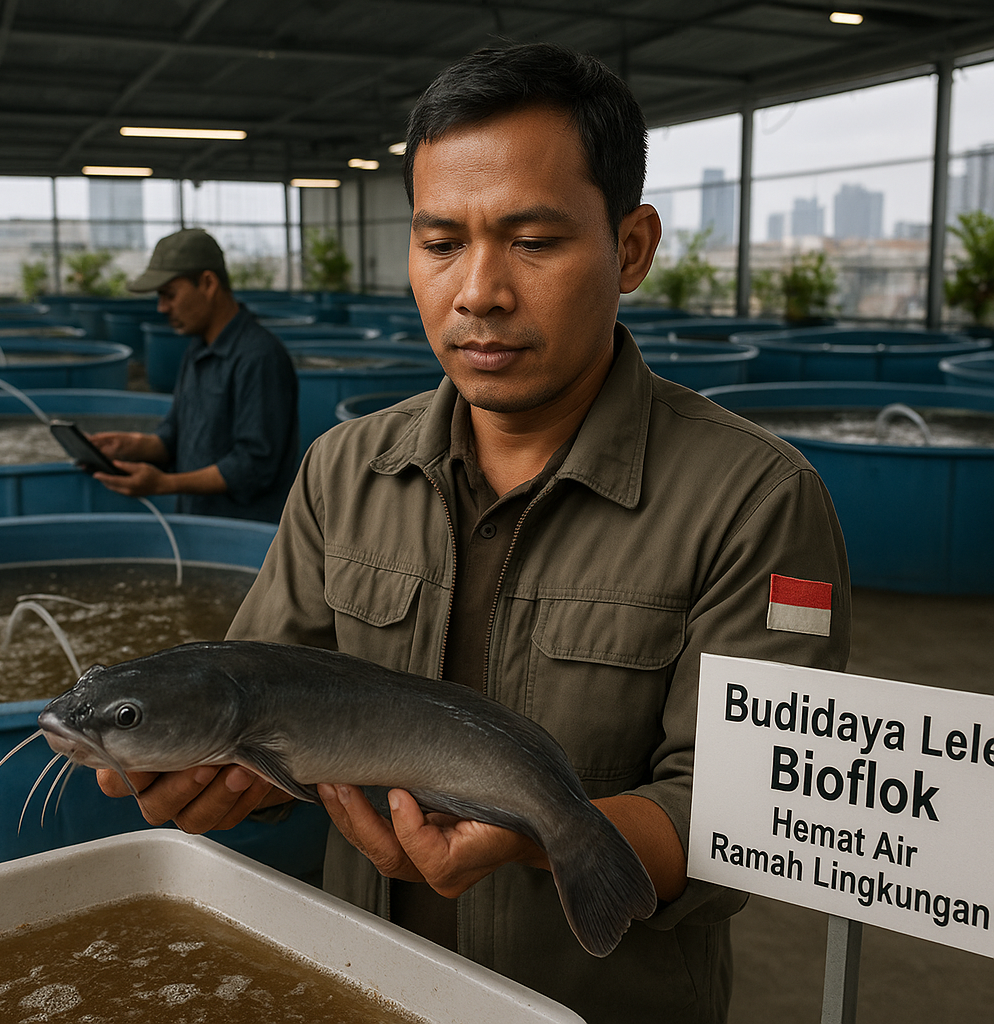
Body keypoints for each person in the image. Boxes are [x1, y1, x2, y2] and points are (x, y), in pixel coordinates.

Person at [96, 44, 851, 1022]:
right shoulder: (345, 469)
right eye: (441, 240)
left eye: (532, 241)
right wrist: (215, 779)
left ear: (629, 247)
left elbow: (758, 810)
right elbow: (270, 705)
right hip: (361, 988)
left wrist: (548, 833)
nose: (478, 292)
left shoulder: (753, 497)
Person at [89, 227, 299, 522]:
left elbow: (255, 465)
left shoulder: (259, 357)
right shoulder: (198, 349)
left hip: (244, 532)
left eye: (170, 295)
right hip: (198, 520)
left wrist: (165, 484)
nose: (162, 307)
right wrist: (135, 445)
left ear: (208, 283)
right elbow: (176, 432)